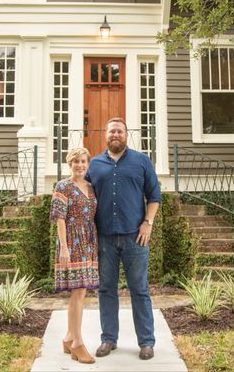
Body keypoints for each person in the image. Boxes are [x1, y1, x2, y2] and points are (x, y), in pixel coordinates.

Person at [86, 117, 161, 361]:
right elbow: (84, 198)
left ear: (126, 135)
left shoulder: (141, 161)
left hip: (135, 237)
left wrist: (148, 223)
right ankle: (108, 338)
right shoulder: (94, 165)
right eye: (111, 131)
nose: (115, 134)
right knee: (106, 289)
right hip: (104, 238)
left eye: (119, 131)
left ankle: (147, 342)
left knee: (139, 289)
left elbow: (154, 196)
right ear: (105, 135)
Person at [50, 147, 98, 364]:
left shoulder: (90, 187)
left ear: (88, 164)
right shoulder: (63, 186)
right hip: (72, 242)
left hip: (88, 243)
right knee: (77, 292)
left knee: (82, 292)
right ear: (70, 163)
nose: (80, 165)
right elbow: (59, 218)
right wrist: (64, 248)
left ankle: (69, 338)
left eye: (84, 161)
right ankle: (78, 344)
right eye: (76, 161)